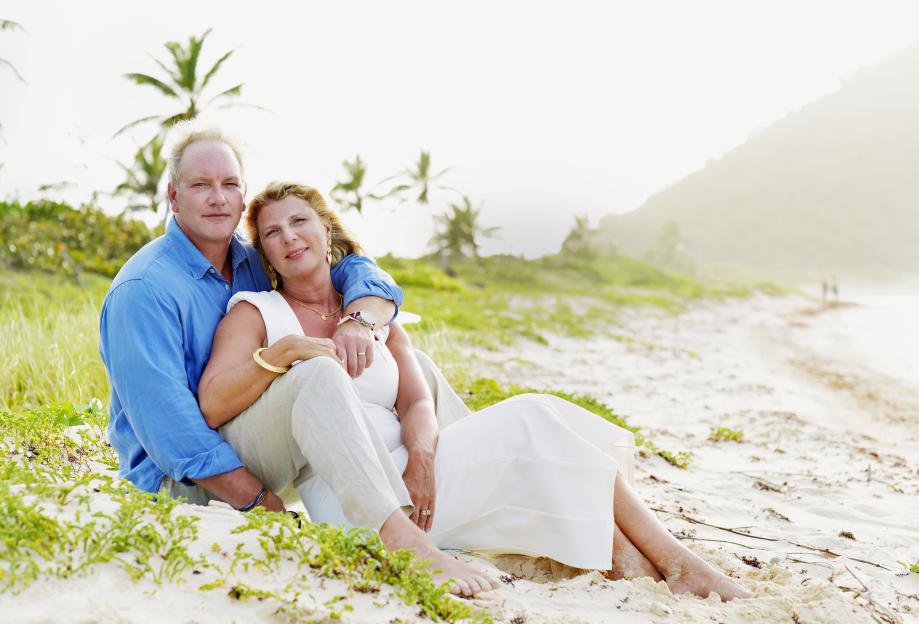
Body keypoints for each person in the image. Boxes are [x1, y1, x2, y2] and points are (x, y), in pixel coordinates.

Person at [197, 181, 751, 600]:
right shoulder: (258, 312)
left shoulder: (370, 311)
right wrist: (281, 355)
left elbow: (415, 399)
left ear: (326, 231)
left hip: (420, 479)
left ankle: (655, 562)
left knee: (534, 416)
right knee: (529, 434)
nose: (289, 236)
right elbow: (215, 398)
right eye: (272, 232)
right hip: (355, 498)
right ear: (264, 254)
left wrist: (422, 453)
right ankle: (673, 565)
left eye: (299, 222)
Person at [99, 125, 403, 518]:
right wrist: (263, 505)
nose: (217, 198)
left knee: (406, 356)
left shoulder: (257, 261)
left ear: (243, 197)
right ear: (173, 197)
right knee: (315, 377)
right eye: (200, 185)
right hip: (181, 485)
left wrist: (358, 320)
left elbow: (351, 268)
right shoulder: (142, 290)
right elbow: (176, 438)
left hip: (258, 446)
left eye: (230, 184)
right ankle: (396, 533)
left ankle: (442, 490)